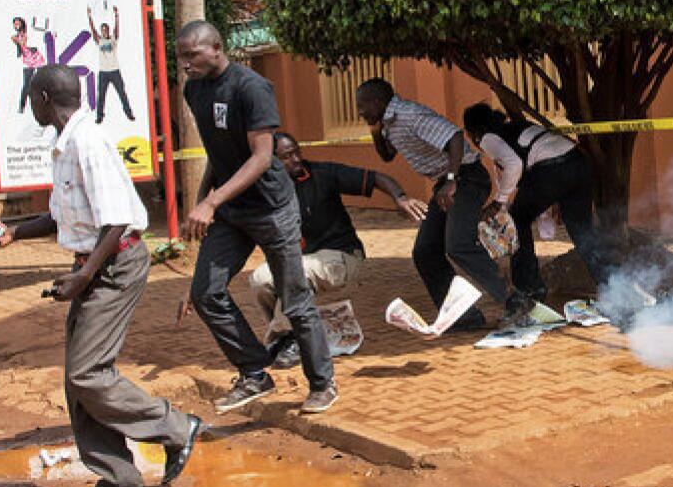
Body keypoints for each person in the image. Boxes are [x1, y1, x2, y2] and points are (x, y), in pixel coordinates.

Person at [0, 65, 202, 487]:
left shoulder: (88, 143)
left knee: (87, 372)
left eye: (32, 96)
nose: (30, 104)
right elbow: (61, 217)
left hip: (115, 266)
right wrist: (13, 233)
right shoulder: (65, 145)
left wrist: (85, 276)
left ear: (45, 97)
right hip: (93, 265)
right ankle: (119, 479)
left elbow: (118, 218)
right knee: (78, 378)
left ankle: (176, 428)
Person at [176, 21, 338, 414]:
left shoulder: (251, 87)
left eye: (191, 55)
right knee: (204, 293)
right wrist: (206, 205)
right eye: (180, 56)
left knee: (294, 300)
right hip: (232, 212)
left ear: (216, 48)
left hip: (272, 209)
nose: (184, 64)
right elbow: (219, 156)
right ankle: (254, 372)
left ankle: (323, 383)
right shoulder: (193, 89)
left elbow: (262, 156)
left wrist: (210, 204)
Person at [354, 78, 534, 329]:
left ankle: (515, 299)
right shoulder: (387, 122)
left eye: (362, 106)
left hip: (466, 177)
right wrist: (374, 129)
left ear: (377, 101)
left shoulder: (409, 114)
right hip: (446, 182)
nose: (360, 112)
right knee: (425, 251)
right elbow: (386, 155)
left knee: (458, 243)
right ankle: (462, 316)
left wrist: (451, 180)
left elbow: (455, 137)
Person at [256, 131, 428, 368]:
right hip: (304, 260)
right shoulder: (267, 190)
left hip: (342, 257)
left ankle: (285, 338)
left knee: (294, 272)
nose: (295, 159)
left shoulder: (322, 174)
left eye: (296, 152)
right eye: (286, 156)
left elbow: (376, 178)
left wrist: (400, 198)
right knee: (260, 279)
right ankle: (292, 339)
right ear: (270, 161)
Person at [462, 103, 610, 301]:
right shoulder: (514, 127)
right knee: (583, 231)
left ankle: (529, 289)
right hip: (579, 163)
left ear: (473, 131)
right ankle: (614, 285)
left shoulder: (488, 138)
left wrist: (499, 201)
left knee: (518, 220)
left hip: (552, 170)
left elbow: (514, 164)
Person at [86, 5, 135, 124]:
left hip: (114, 71)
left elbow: (117, 30)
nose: (103, 31)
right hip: (103, 72)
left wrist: (116, 16)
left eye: (105, 29)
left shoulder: (113, 39)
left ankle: (129, 113)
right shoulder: (99, 41)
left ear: (108, 30)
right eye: (102, 30)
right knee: (101, 96)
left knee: (122, 93)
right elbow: (93, 31)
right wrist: (90, 16)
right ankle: (99, 116)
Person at [12, 16, 45, 114]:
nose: (16, 25)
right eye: (15, 24)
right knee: (26, 84)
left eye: (18, 23)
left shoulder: (28, 33)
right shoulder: (17, 36)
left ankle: (44, 104)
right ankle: (22, 106)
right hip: (27, 61)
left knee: (41, 82)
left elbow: (28, 44)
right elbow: (21, 45)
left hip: (36, 58)